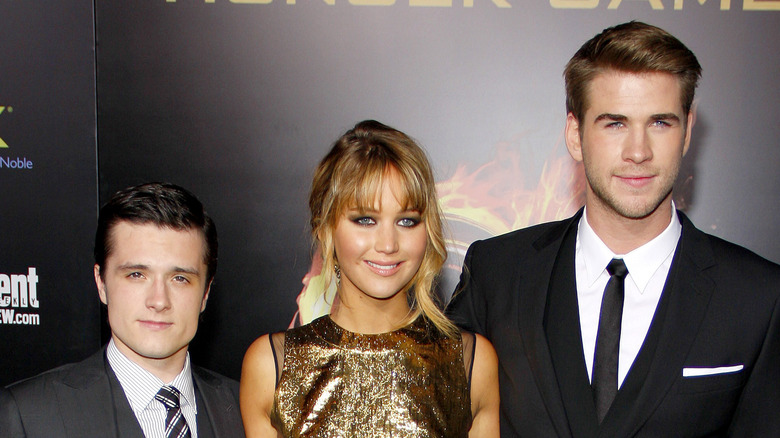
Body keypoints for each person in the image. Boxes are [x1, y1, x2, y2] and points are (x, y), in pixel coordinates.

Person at [447, 21, 780, 437]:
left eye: (660, 123)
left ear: (688, 131)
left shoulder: (758, 298)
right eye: (615, 123)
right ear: (574, 134)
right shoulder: (496, 273)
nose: (638, 152)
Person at [240, 120, 500, 437]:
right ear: (326, 229)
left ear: (427, 231)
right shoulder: (272, 365)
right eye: (365, 220)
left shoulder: (470, 363)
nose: (388, 244)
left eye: (407, 220)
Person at [0, 182, 245, 437]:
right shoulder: (29, 415)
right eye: (137, 274)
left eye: (180, 278)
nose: (159, 301)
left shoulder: (246, 410)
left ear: (205, 293)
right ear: (101, 283)